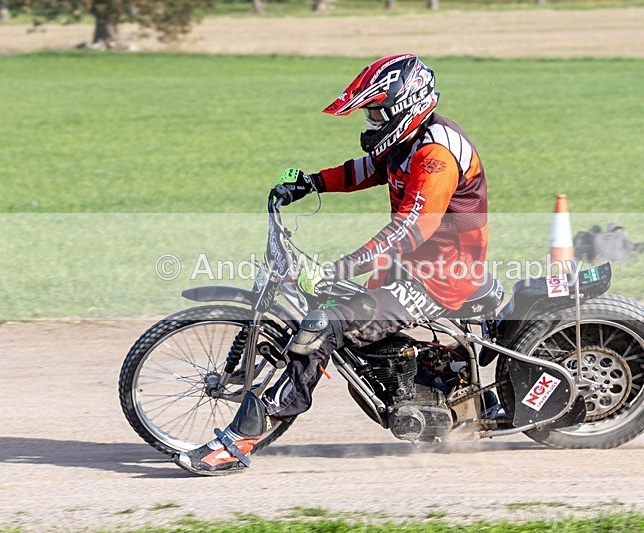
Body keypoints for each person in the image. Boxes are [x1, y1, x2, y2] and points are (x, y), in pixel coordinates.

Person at [175, 54, 490, 475]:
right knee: (344, 321)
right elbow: (368, 169)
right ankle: (426, 376)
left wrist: (342, 267)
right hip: (411, 267)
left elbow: (411, 229)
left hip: (439, 276)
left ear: (405, 106)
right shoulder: (407, 142)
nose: (371, 123)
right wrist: (311, 183)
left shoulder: (436, 155)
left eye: (377, 112)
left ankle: (240, 442)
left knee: (324, 324)